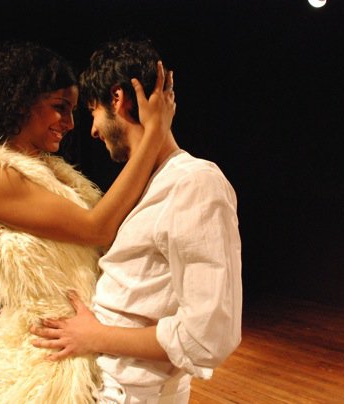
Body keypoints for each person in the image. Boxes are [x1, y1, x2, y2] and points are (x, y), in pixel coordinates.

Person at [0, 41, 175, 403]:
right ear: (19, 102)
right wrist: (154, 134)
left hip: (84, 343)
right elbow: (97, 228)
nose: (70, 123)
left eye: (73, 110)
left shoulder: (55, 173)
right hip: (45, 357)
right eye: (59, 107)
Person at [30, 37, 242, 403]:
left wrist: (95, 336)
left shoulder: (194, 183)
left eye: (93, 111)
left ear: (117, 99)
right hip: (107, 384)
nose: (92, 130)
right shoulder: (146, 184)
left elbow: (208, 337)